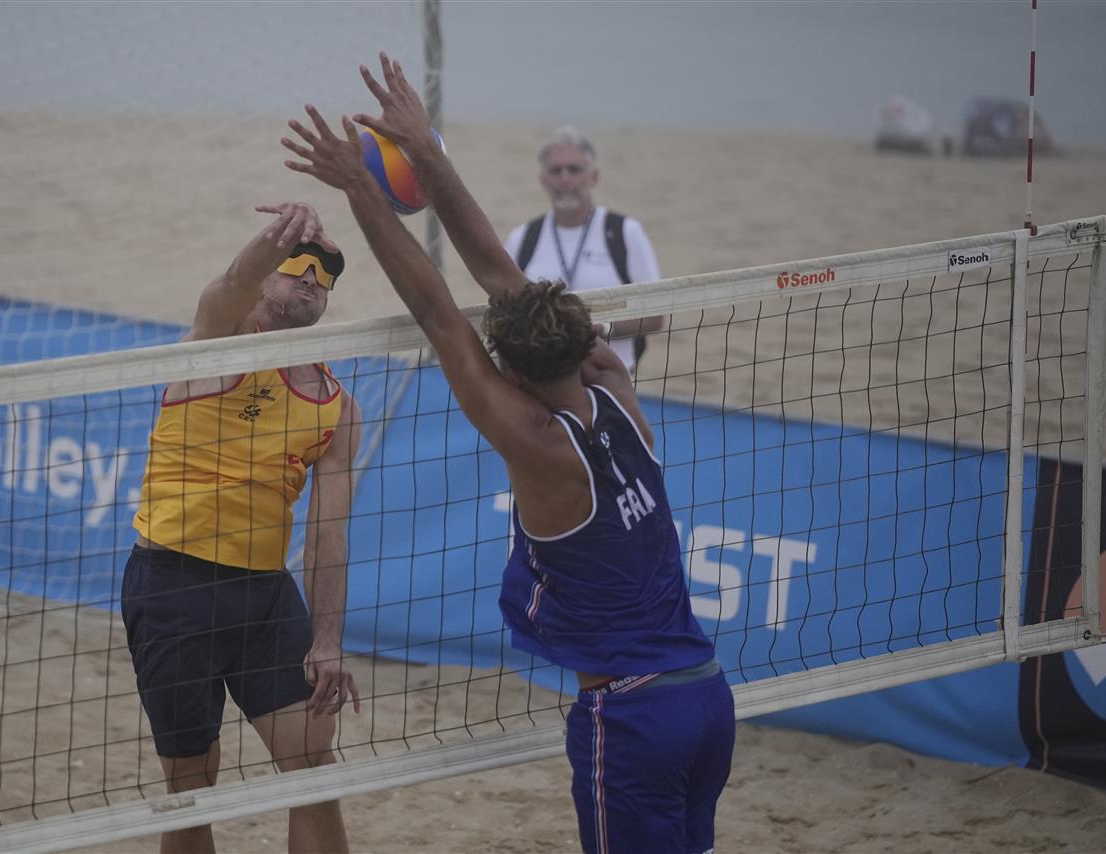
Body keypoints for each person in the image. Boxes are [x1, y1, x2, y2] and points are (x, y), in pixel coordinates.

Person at [281, 55, 734, 854]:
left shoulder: (537, 445)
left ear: (517, 373)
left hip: (632, 717)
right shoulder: (614, 386)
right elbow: (497, 275)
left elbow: (438, 310)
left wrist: (362, 188)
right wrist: (427, 152)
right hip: (706, 697)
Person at [122, 201, 362, 854]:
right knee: (194, 784)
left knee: (313, 765)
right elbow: (230, 282)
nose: (315, 274)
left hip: (263, 597)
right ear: (268, 273)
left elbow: (329, 534)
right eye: (300, 262)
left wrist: (329, 640)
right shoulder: (219, 339)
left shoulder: (336, 407)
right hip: (174, 586)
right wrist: (279, 233)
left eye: (329, 269)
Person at [504, 125, 665, 376]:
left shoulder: (625, 233)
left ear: (594, 176)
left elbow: (655, 317)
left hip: (612, 380)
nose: (565, 179)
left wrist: (604, 329)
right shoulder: (523, 238)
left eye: (574, 169)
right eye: (556, 171)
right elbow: (506, 315)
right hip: (543, 383)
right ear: (543, 180)